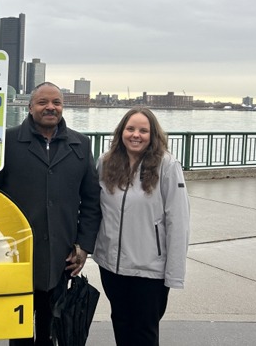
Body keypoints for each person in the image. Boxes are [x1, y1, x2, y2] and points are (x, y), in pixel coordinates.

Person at [0, 82, 101, 346]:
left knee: (52, 331)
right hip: (16, 257)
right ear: (30, 106)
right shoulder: (7, 141)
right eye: (43, 102)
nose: (50, 107)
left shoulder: (80, 144)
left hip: (61, 258)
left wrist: (84, 246)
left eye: (56, 102)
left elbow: (91, 201)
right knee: (19, 334)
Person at [92, 107, 190, 346]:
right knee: (122, 326)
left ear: (152, 135)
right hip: (112, 268)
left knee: (144, 334)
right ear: (121, 132)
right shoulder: (106, 163)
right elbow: (95, 209)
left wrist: (174, 274)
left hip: (149, 271)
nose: (136, 135)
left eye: (143, 130)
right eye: (131, 129)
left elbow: (178, 221)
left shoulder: (167, 166)